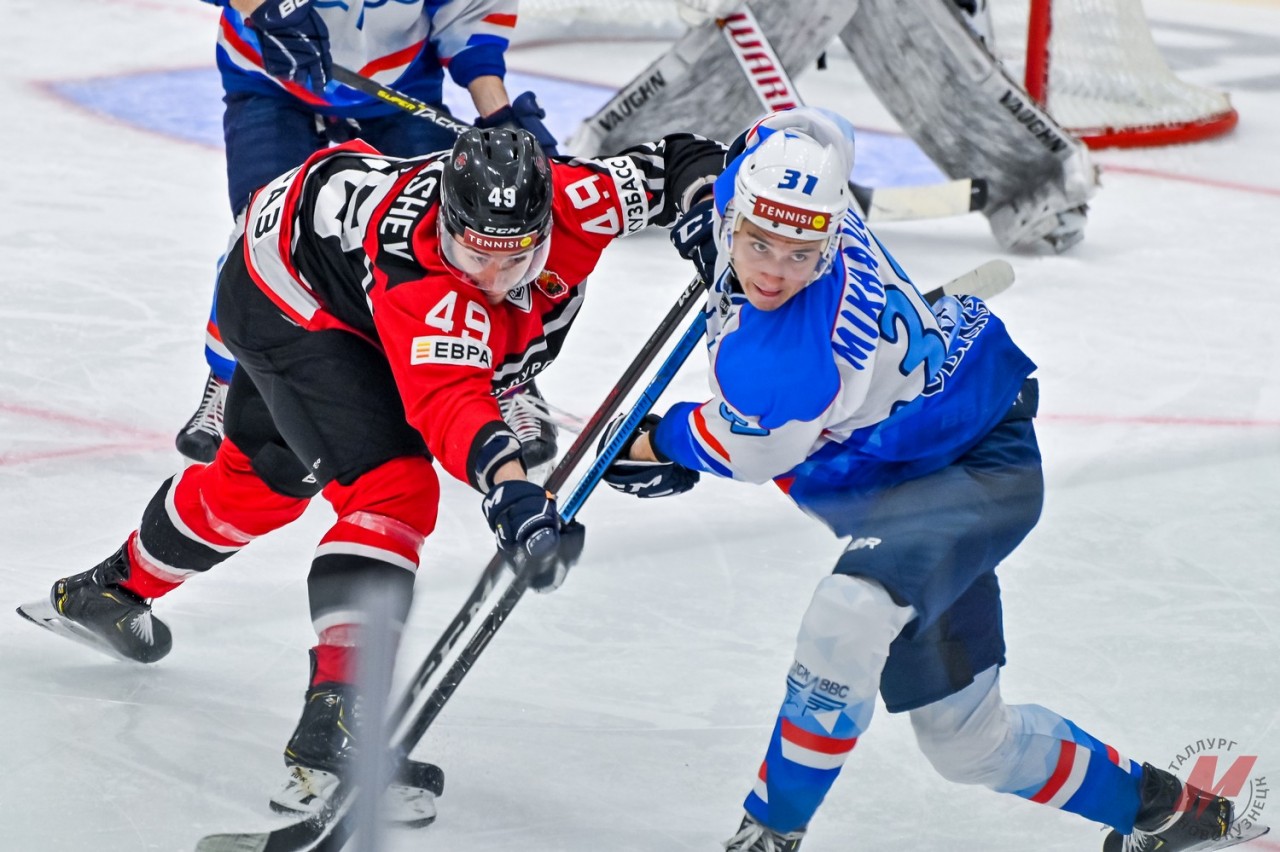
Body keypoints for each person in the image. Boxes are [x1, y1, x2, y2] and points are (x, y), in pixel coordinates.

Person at [19, 127, 725, 822]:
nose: (489, 279)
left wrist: (707, 204)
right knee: (393, 490)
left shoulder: (582, 199)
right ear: (447, 223)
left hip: (306, 252)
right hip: (290, 297)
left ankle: (108, 591)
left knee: (260, 482)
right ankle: (335, 730)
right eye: (472, 253)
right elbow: (450, 402)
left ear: (547, 224)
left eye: (512, 261)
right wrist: (509, 486)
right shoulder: (418, 275)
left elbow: (682, 159)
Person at [602, 108, 1246, 852]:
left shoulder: (784, 366)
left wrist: (660, 439)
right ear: (737, 207)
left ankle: (768, 835)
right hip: (913, 469)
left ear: (832, 238)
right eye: (757, 242)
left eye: (799, 252)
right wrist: (695, 205)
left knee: (848, 613)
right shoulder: (807, 183)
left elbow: (750, 452)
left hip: (974, 464)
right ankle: (1166, 812)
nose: (774, 269)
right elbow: (800, 130)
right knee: (966, 741)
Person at [177, 0, 564, 468]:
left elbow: (469, 16)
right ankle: (226, 379)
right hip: (269, 80)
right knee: (261, 235)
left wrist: (498, 116)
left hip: (395, 85)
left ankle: (506, 381)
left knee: (461, 234)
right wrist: (266, 8)